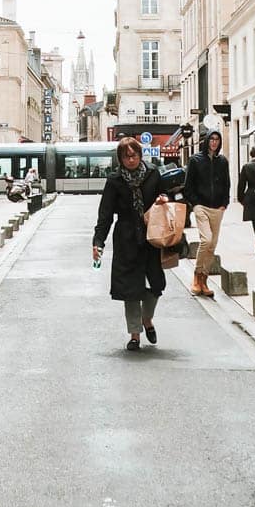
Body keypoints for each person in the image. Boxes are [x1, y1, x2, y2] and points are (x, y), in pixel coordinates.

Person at [92, 137, 168, 351]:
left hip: (151, 234)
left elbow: (165, 195)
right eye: (127, 156)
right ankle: (134, 334)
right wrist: (98, 242)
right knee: (131, 288)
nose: (131, 159)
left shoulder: (153, 173)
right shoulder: (114, 180)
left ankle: (147, 319)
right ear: (120, 159)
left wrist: (163, 199)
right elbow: (105, 215)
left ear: (140, 155)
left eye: (134, 155)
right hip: (126, 237)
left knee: (155, 284)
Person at [183, 121, 230, 297]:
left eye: (217, 139)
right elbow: (188, 186)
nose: (214, 142)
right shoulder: (195, 160)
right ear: (207, 140)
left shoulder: (222, 161)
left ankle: (204, 279)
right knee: (206, 240)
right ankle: (196, 275)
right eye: (212, 139)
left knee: (212, 246)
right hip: (201, 206)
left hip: (217, 208)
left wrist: (224, 203)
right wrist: (195, 203)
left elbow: (227, 183)